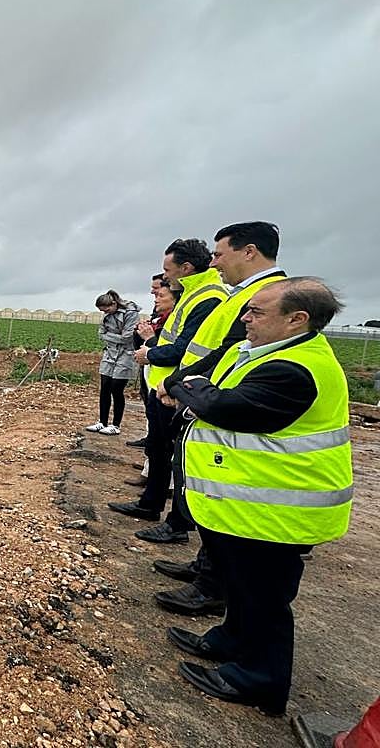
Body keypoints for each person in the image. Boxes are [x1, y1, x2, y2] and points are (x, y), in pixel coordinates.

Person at [165, 278, 352, 717]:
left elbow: (224, 406)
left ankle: (259, 678)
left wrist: (194, 391)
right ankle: (232, 640)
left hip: (280, 510)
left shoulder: (296, 369)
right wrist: (198, 390)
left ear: (296, 319)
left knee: (263, 597)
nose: (245, 318)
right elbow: (204, 389)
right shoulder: (264, 352)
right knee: (241, 585)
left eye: (257, 312)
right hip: (249, 505)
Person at [151, 221, 287, 611]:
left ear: (249, 252)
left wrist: (177, 383)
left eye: (219, 254)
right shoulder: (238, 293)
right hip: (204, 396)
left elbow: (226, 352)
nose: (214, 262)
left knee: (220, 492)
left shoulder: (266, 297)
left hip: (217, 402)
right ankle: (207, 570)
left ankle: (212, 585)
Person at [108, 238, 226, 530]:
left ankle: (178, 524)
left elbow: (184, 348)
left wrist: (150, 353)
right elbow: (173, 339)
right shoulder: (191, 293)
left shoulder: (209, 298)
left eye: (167, 269)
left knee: (178, 456)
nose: (164, 276)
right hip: (166, 386)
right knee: (158, 449)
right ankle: (150, 504)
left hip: (180, 390)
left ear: (186, 268)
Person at [124, 280, 179, 487]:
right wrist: (141, 336)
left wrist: (150, 339)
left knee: (164, 439)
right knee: (154, 433)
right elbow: (139, 345)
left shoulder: (173, 322)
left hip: (166, 384)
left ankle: (162, 482)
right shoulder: (158, 320)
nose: (155, 297)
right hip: (154, 378)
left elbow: (170, 352)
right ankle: (150, 470)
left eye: (160, 294)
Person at [85, 290, 140, 435]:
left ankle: (115, 425)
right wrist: (115, 336)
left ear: (114, 304)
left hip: (125, 354)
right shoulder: (107, 315)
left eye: (107, 309)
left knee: (116, 389)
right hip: (110, 352)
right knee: (105, 387)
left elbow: (127, 338)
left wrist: (109, 336)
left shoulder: (130, 313)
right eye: (103, 311)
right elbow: (100, 334)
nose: (105, 313)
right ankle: (102, 422)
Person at [126, 274, 166, 449]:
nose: (153, 293)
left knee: (158, 415)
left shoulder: (170, 316)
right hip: (150, 365)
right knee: (148, 404)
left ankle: (152, 444)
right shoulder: (157, 313)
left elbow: (169, 348)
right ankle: (150, 440)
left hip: (161, 371)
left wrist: (149, 338)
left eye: (157, 290)